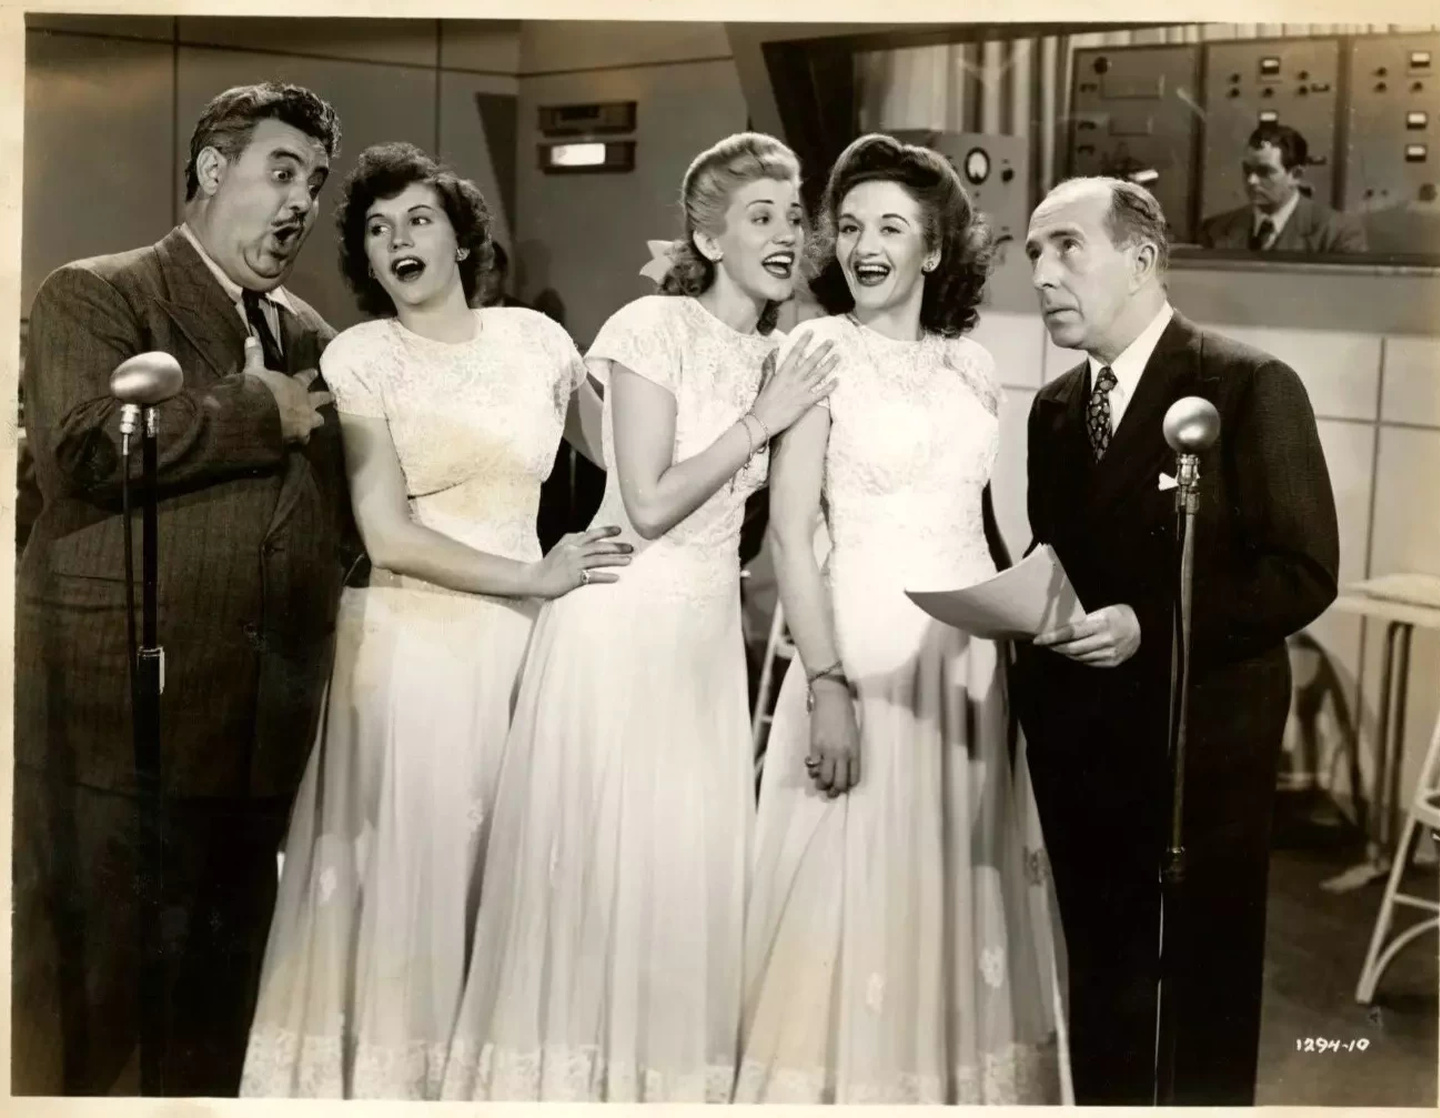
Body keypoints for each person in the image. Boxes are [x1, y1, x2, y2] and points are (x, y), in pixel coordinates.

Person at [440, 132, 837, 1103]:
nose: (783, 235)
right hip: (620, 631)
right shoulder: (651, 326)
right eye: (758, 217)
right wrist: (763, 418)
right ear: (706, 238)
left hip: (702, 643)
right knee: (603, 871)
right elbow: (650, 501)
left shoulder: (773, 354)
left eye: (792, 217)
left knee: (676, 873)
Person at [237, 144, 625, 1099]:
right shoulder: (361, 357)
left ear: (460, 239)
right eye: (376, 229)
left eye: (417, 219)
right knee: (424, 873)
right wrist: (536, 576)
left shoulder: (538, 341)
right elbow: (387, 533)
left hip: (527, 648)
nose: (397, 239)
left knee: (511, 875)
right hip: (415, 651)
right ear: (367, 262)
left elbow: (629, 462)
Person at [13, 82, 346, 1096]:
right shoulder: (96, 292)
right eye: (280, 172)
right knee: (88, 1009)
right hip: (120, 725)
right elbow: (82, 450)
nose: (301, 202)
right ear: (211, 168)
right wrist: (253, 408)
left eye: (315, 182)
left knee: (215, 1023)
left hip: (254, 739)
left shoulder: (306, 330)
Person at [734, 133, 1067, 1105]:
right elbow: (789, 535)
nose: (863, 245)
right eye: (848, 227)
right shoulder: (815, 351)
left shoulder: (973, 365)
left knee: (952, 893)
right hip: (862, 660)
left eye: (889, 226)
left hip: (966, 671)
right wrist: (825, 684)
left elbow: (980, 523)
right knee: (853, 900)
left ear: (933, 247)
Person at [1019, 176, 1339, 1105]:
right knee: (1103, 981)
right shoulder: (1052, 408)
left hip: (1200, 750)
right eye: (1033, 253)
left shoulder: (1247, 386)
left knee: (1203, 997)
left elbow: (1301, 571)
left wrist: (1149, 625)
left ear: (1142, 261)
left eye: (1066, 247)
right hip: (1082, 749)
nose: (1041, 274)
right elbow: (1061, 562)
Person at [1198, 123, 1367, 253]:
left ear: (1296, 175)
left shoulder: (1337, 233)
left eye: (1264, 172)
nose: (1252, 180)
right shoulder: (1214, 230)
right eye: (1247, 170)